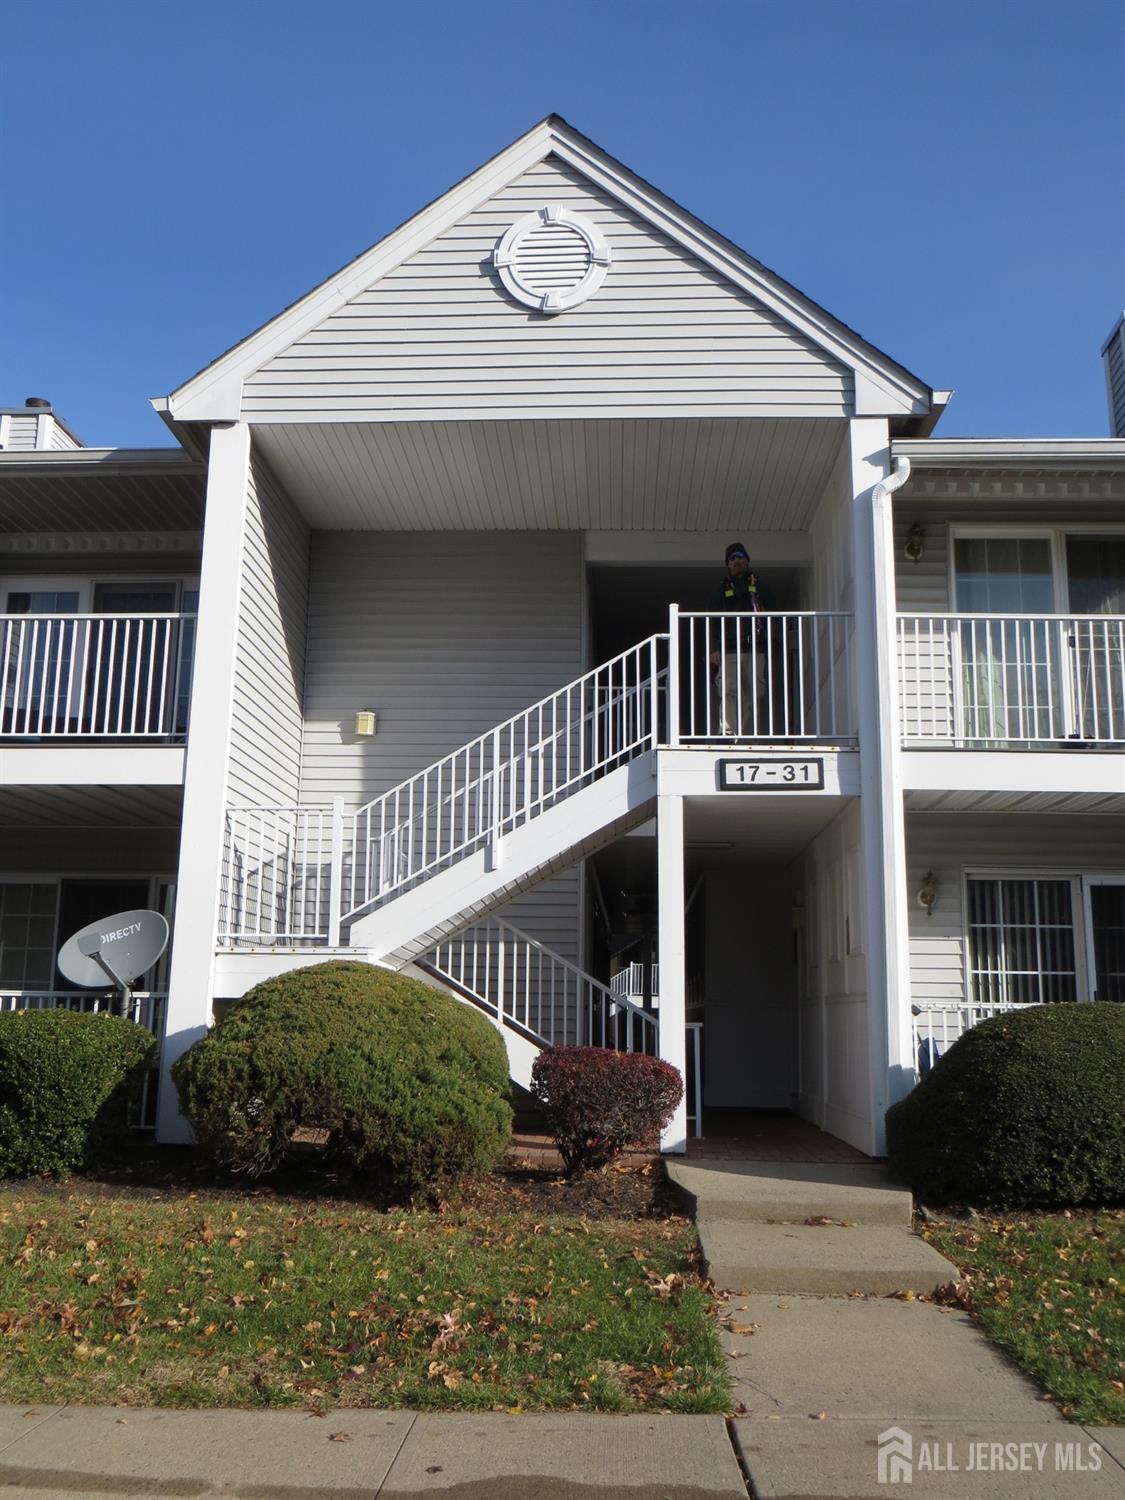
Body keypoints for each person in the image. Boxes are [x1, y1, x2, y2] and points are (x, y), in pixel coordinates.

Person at [710, 541, 767, 735]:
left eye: (740, 557)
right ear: (727, 564)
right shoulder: (723, 587)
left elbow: (773, 614)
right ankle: (728, 732)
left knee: (754, 694)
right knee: (728, 691)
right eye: (732, 558)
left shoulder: (758, 584)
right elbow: (712, 620)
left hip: (755, 648)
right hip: (729, 649)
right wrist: (714, 648)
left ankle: (749, 735)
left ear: (747, 560)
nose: (736, 561)